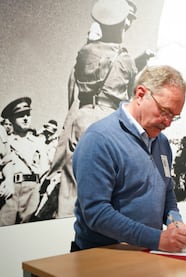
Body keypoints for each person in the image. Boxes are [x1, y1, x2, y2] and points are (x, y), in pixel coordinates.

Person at [71, 65, 186, 252]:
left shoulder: (161, 142)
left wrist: (175, 223)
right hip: (102, 257)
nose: (168, 123)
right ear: (140, 94)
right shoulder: (99, 139)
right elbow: (96, 213)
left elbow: (167, 193)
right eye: (165, 112)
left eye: (174, 117)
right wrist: (156, 239)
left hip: (146, 253)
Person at [40, 0, 138, 220]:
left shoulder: (84, 53)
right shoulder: (125, 59)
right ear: (121, 25)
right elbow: (132, 95)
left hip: (81, 117)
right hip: (109, 120)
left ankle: (66, 231)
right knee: (108, 185)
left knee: (71, 185)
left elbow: (72, 88)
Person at [0, 97, 49, 225]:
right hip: (11, 189)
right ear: (11, 119)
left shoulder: (39, 142)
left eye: (28, 114)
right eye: (21, 116)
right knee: (5, 226)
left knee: (29, 228)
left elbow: (45, 168)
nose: (26, 118)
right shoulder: (6, 141)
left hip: (33, 189)